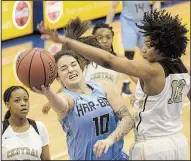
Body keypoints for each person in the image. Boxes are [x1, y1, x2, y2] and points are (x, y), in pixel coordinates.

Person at [38, 10, 190, 159]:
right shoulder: (185, 70)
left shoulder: (152, 70)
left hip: (153, 146)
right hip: (178, 142)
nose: (143, 49)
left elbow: (109, 61)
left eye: (149, 45)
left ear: (162, 47)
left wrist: (66, 41)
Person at [36, 18, 134, 160]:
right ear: (58, 78)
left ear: (81, 66)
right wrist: (48, 94)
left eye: (73, 65)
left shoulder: (104, 85)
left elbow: (127, 119)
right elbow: (61, 105)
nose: (70, 70)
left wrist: (110, 139)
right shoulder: (67, 98)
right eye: (64, 68)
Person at [42, 22, 125, 115]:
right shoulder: (85, 63)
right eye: (100, 38)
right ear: (94, 39)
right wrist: (50, 102)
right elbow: (66, 87)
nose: (104, 41)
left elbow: (138, 77)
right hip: (92, 107)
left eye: (108, 37)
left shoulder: (117, 61)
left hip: (113, 103)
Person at [106, 1, 161, 96]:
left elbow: (156, 2)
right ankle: (125, 84)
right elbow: (113, 6)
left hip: (146, 22)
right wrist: (106, 26)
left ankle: (153, 80)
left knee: (149, 54)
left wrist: (155, 19)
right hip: (128, 23)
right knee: (129, 55)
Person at [2, 86, 50, 160]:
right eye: (17, 100)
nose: (23, 103)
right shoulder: (2, 129)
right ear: (7, 104)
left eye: (26, 100)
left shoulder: (39, 127)